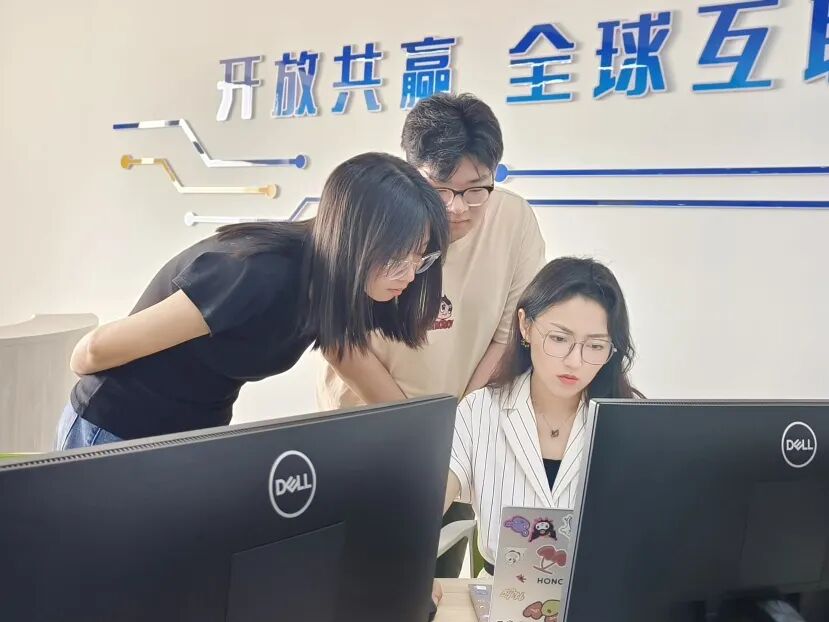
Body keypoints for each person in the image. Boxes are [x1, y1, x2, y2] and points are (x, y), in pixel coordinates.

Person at [55, 152, 449, 450]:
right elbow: (90, 353)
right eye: (397, 258)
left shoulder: (338, 285)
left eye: (420, 258)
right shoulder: (255, 273)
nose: (410, 275)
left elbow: (353, 363)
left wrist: (430, 442)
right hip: (114, 429)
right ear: (356, 241)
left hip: (187, 439)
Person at [317, 93, 546, 578]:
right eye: (439, 188)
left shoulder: (514, 221)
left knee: (431, 583)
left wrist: (457, 430)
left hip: (452, 440)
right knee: (351, 582)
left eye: (475, 189)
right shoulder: (372, 216)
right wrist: (417, 429)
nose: (457, 208)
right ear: (409, 170)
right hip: (363, 426)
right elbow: (338, 336)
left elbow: (508, 336)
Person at [442, 257, 643, 576]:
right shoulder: (480, 410)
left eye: (595, 346)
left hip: (596, 592)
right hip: (499, 593)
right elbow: (427, 505)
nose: (575, 361)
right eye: (560, 339)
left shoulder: (631, 422)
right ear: (526, 326)